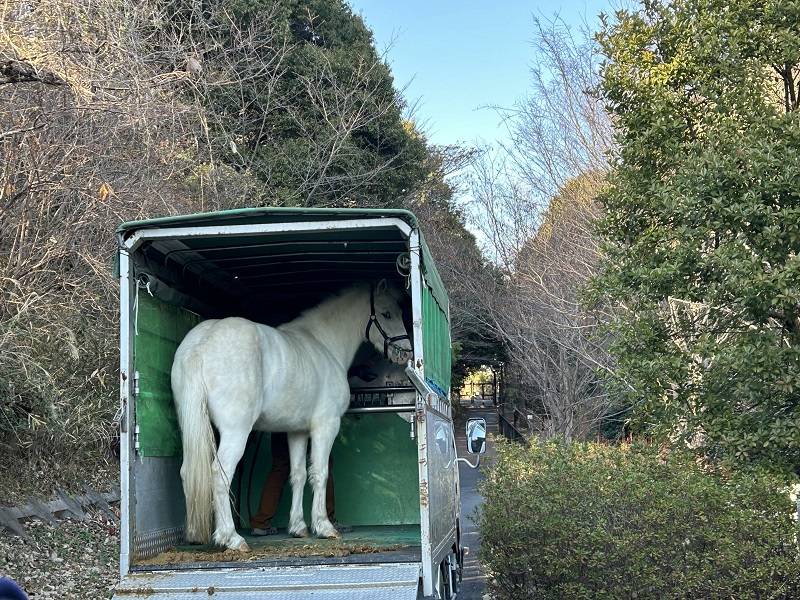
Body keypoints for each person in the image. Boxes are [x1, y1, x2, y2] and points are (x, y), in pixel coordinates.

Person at [251, 432, 348, 535]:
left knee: (280, 466)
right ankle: (327, 519)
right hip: (308, 421)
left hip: (281, 423)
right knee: (323, 465)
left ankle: (260, 523)